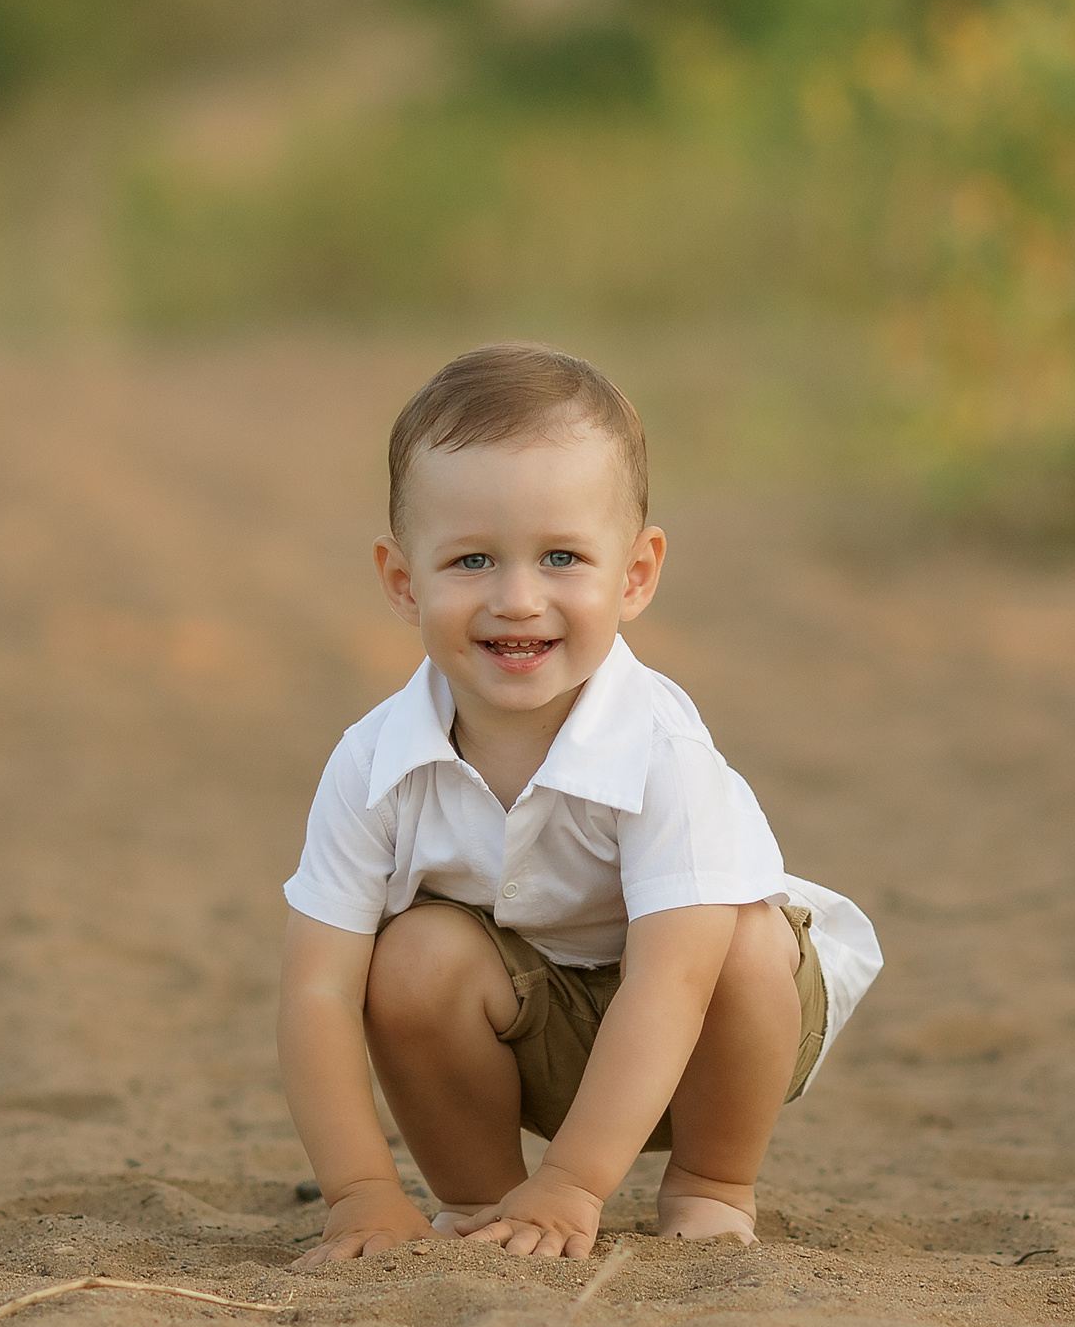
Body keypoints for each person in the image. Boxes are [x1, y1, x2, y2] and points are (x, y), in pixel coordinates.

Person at [278, 342, 882, 1264]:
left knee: (745, 938)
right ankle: (485, 1198)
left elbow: (671, 980)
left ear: (635, 575)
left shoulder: (660, 751)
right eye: (472, 560)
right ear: (404, 582)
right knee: (411, 958)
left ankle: (713, 1183)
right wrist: (359, 1191)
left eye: (562, 556)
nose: (518, 600)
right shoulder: (373, 764)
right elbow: (319, 988)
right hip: (528, 1035)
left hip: (713, 1040)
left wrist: (577, 1180)